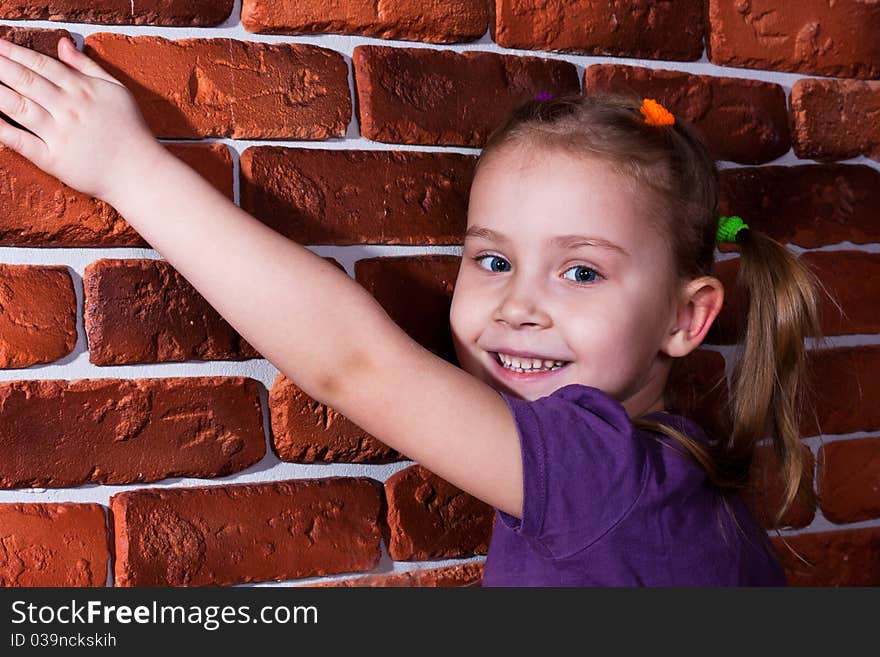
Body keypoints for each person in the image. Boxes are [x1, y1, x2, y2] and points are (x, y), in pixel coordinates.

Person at [0, 37, 826, 586]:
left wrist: (127, 171)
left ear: (688, 319)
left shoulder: (599, 468)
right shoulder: (674, 469)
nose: (518, 306)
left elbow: (354, 362)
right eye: (493, 260)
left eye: (580, 271)